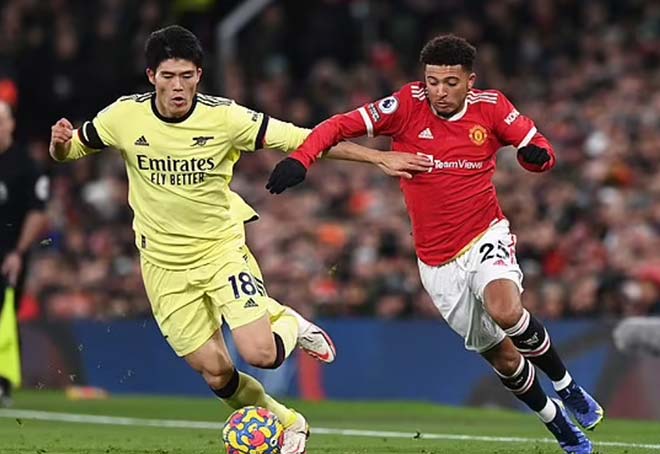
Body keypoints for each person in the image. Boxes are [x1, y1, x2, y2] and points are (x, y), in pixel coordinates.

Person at [48, 25, 430, 454]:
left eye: (187, 76)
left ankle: (290, 324)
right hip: (162, 265)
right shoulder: (123, 116)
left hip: (220, 252)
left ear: (199, 75)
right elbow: (72, 150)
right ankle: (288, 421)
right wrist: (60, 145)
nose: (179, 87)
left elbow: (303, 138)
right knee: (216, 373)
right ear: (151, 76)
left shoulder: (225, 118)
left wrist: (377, 157)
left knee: (262, 354)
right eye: (169, 76)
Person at [267, 34, 603, 454]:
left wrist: (534, 158)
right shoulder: (405, 105)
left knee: (506, 309)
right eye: (432, 81)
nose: (439, 91)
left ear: (469, 82)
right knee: (502, 358)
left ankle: (568, 387)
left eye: (450, 82)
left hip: (485, 234)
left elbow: (539, 147)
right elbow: (336, 126)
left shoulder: (492, 107)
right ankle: (558, 424)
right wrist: (301, 159)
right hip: (436, 262)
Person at [0, 100, 50, 407]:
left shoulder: (25, 165)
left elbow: (37, 212)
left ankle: (3, 381)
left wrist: (18, 252)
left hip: (8, 254)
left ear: (10, 124)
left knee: (5, 314)